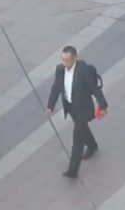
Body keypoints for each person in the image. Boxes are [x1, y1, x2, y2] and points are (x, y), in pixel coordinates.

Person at [45, 45, 108, 178]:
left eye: (67, 60)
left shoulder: (83, 71)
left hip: (83, 108)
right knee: (82, 128)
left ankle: (73, 170)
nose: (64, 63)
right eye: (62, 59)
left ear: (75, 58)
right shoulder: (60, 69)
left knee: (77, 137)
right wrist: (50, 105)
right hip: (70, 106)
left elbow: (94, 88)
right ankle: (92, 145)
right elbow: (56, 87)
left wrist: (102, 105)